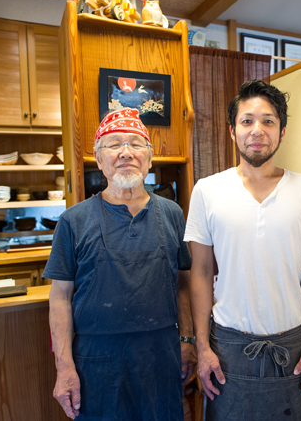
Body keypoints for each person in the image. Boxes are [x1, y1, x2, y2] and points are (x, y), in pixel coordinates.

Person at [185, 80, 301, 421]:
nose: (257, 130)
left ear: (282, 132)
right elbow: (201, 272)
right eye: (247, 120)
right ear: (232, 131)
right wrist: (203, 347)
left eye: (268, 121)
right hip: (228, 349)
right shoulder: (208, 190)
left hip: (293, 346)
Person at [46, 108, 196, 420]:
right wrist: (64, 367)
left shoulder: (172, 214)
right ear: (99, 160)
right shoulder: (73, 221)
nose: (125, 152)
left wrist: (187, 340)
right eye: (113, 145)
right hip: (96, 364)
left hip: (161, 357)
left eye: (136, 144)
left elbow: (182, 285)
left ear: (150, 158)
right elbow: (59, 297)